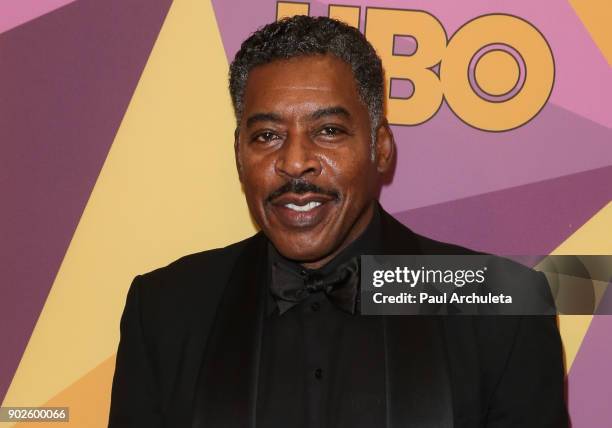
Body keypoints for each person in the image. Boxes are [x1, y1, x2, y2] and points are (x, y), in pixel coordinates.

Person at [108, 15, 568, 428]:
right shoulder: (165, 310)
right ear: (238, 155)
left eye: (328, 131)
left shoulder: (501, 307)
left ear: (380, 148)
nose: (295, 163)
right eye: (267, 136)